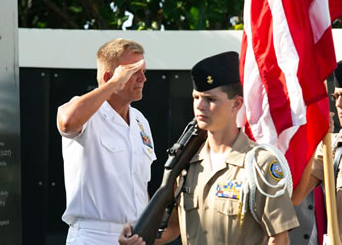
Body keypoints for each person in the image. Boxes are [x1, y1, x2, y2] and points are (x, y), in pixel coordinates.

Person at [119, 51, 299, 245]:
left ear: (236, 104)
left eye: (210, 100)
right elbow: (173, 227)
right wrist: (139, 238)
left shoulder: (260, 164)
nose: (200, 106)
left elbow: (279, 237)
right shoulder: (186, 163)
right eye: (196, 98)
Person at [57, 38, 156, 245]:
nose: (143, 78)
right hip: (93, 235)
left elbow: (140, 185)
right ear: (109, 77)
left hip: (133, 235)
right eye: (133, 72)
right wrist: (113, 85)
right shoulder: (86, 112)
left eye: (143, 71)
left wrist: (143, 231)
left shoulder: (140, 121)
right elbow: (67, 122)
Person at [294, 60, 342, 240]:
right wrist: (313, 136)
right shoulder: (332, 146)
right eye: (336, 96)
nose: (338, 104)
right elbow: (297, 195)